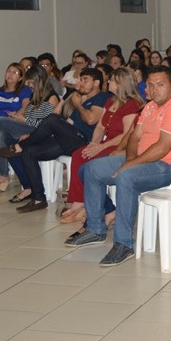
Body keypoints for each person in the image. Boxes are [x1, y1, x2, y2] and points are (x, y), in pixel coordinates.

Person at [65, 65, 171, 266]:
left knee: (126, 177)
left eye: (160, 85)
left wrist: (130, 165)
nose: (154, 90)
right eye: (151, 85)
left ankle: (124, 244)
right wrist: (129, 160)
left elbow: (162, 148)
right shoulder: (151, 105)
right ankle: (95, 228)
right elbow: (134, 137)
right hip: (143, 160)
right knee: (90, 169)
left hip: (168, 167)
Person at [60, 67, 144, 224]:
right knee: (80, 154)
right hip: (106, 143)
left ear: (120, 84)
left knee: (90, 166)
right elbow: (100, 127)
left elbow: (126, 135)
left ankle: (101, 206)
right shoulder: (110, 101)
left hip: (120, 147)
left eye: (112, 80)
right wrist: (94, 144)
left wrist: (101, 147)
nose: (109, 82)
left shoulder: (131, 105)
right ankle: (79, 201)